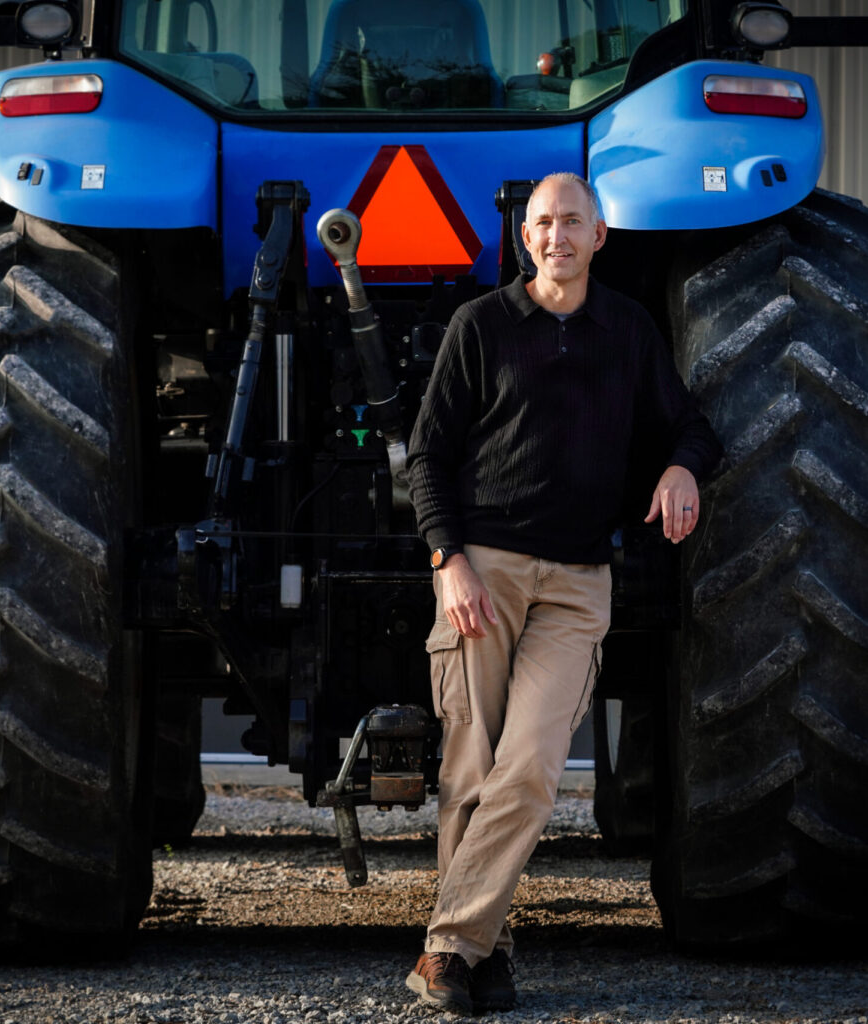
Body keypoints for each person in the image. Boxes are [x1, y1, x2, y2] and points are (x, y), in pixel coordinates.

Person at [405, 172, 723, 1014]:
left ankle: (446, 945)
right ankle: (482, 953)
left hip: (578, 583)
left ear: (599, 235)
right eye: (542, 222)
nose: (556, 236)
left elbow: (688, 424)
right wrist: (450, 565)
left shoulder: (627, 330)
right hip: (485, 571)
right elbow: (427, 456)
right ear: (523, 235)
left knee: (532, 770)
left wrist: (681, 468)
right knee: (469, 772)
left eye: (572, 222)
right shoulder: (481, 327)